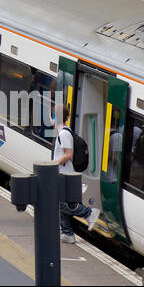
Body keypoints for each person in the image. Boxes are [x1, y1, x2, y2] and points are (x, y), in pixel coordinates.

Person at [54, 102, 95, 243]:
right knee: (62, 202)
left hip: (65, 174)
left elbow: (69, 154)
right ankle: (67, 234)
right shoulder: (63, 132)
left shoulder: (64, 133)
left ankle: (88, 213)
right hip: (63, 173)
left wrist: (52, 164)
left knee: (58, 202)